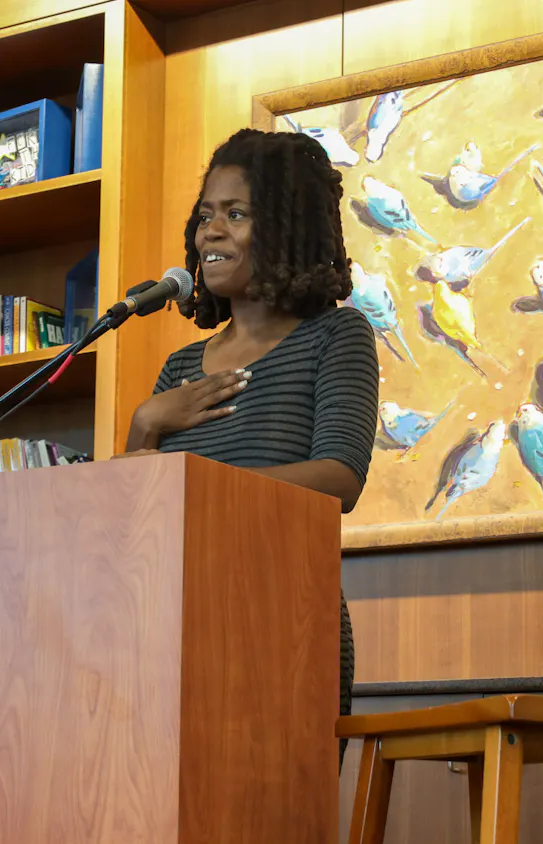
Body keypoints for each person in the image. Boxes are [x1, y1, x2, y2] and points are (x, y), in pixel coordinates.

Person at [119, 128, 379, 767]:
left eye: (236, 214)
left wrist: (200, 486)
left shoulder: (336, 336)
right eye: (205, 215)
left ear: (288, 229)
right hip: (174, 621)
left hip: (285, 621)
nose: (210, 232)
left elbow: (340, 477)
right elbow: (134, 508)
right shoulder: (180, 370)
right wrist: (146, 422)